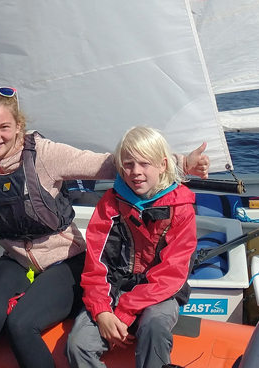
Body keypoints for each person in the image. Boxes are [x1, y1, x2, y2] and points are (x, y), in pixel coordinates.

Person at [0, 87, 209, 368]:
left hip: (62, 258)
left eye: (3, 127)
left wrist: (181, 164)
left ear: (19, 126)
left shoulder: (44, 154)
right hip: (16, 257)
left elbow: (110, 164)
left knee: (21, 324)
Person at [67, 126, 197, 368]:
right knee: (78, 343)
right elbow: (96, 265)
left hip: (159, 293)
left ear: (163, 165)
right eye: (128, 165)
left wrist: (125, 312)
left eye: (144, 164)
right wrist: (101, 311)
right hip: (115, 288)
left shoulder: (180, 209)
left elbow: (170, 274)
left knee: (155, 328)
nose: (136, 172)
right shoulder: (110, 205)